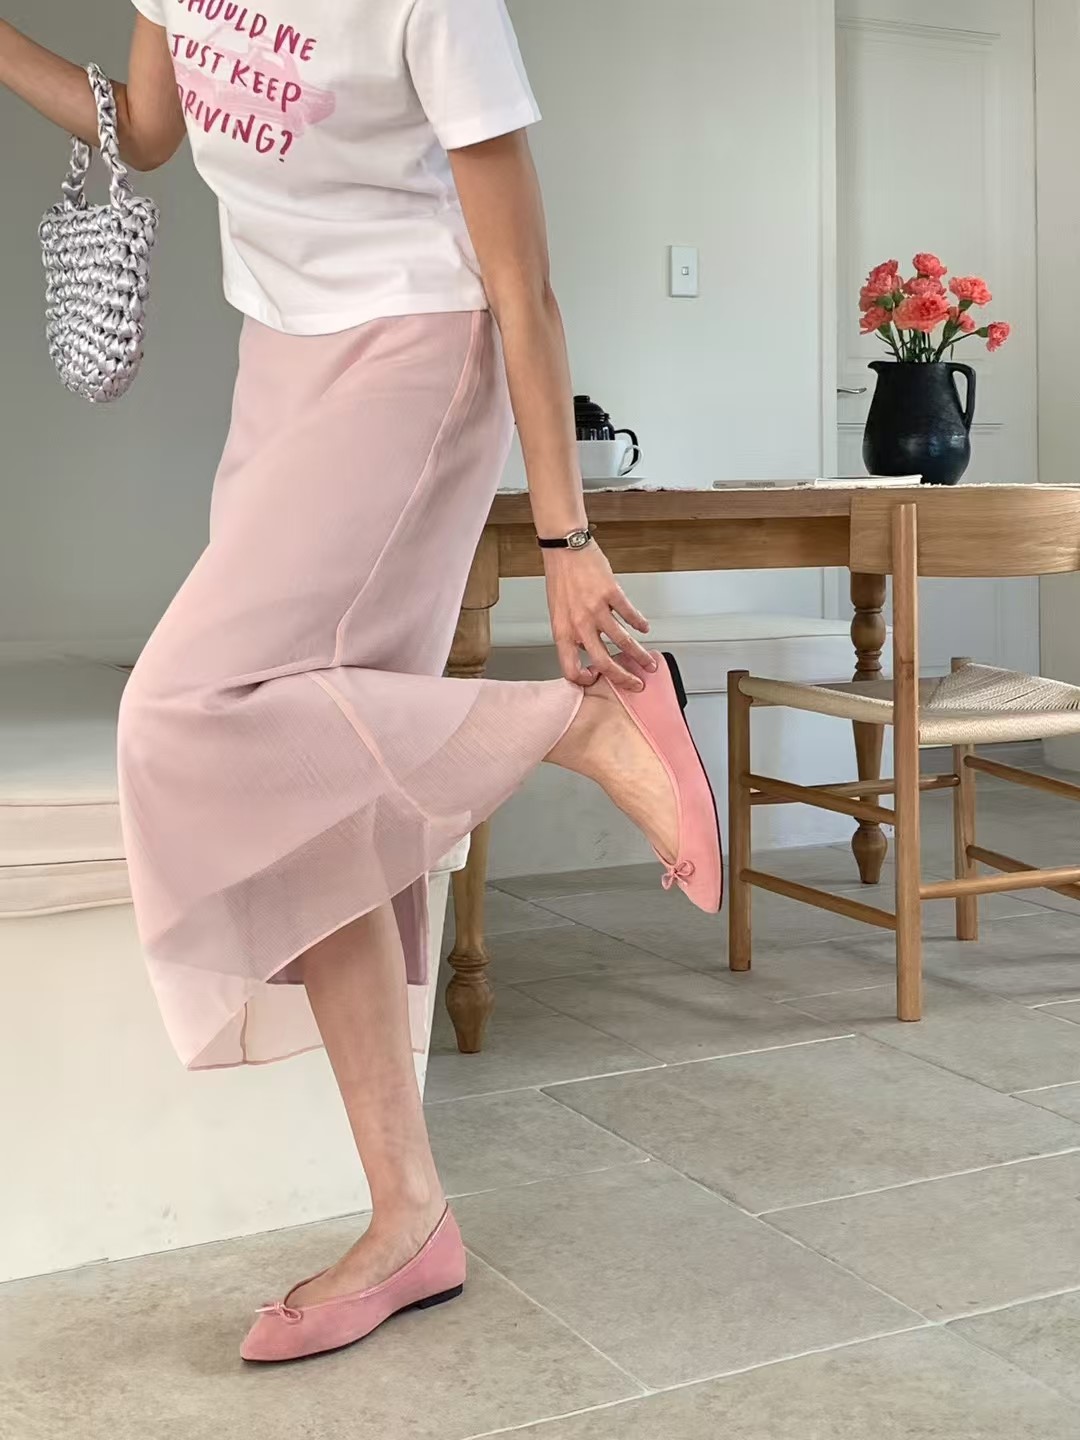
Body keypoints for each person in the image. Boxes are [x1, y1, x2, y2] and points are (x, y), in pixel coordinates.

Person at [0, 0, 722, 1365]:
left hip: (419, 355)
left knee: (180, 711)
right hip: (281, 364)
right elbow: (147, 129)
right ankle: (409, 1219)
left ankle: (579, 721)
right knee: (310, 798)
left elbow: (523, 286)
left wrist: (566, 543)